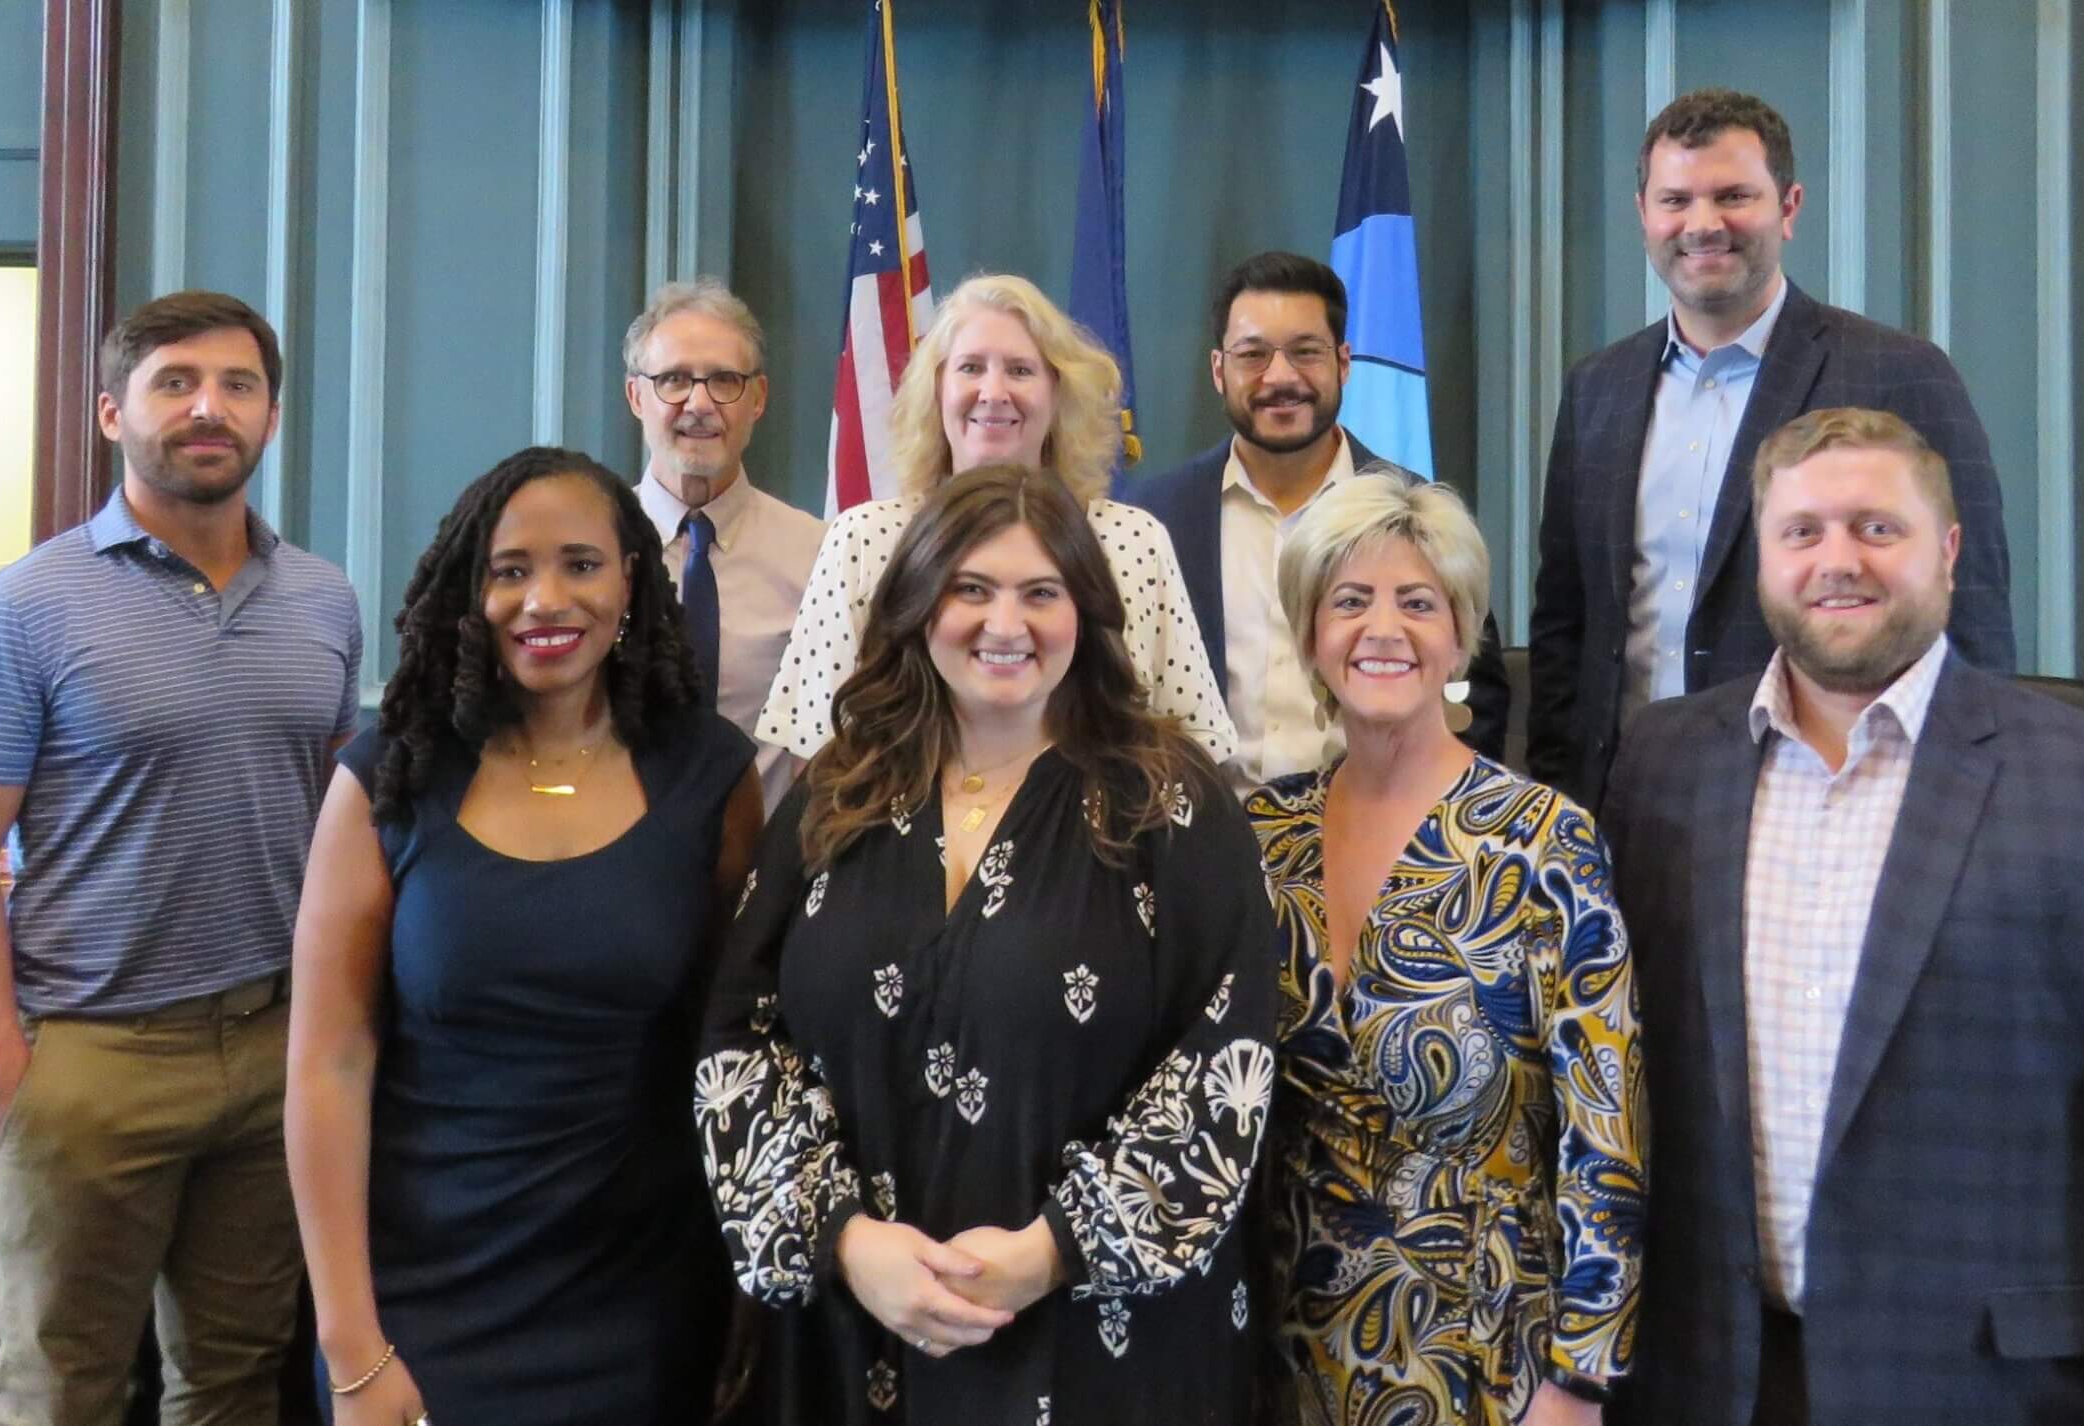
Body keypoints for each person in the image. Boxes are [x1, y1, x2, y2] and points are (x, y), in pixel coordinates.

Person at [1601, 408, 2084, 1426]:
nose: (1837, 560)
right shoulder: (1661, 766)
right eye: (1802, 531)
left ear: (1946, 552)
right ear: (1764, 559)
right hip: (1713, 1379)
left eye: (1876, 527)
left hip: (1989, 1390)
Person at [699, 465, 1277, 1425]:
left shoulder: (1170, 800)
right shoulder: (839, 792)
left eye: (1040, 592)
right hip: (852, 1338)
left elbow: (1229, 1061)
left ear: (1085, 612)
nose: (1004, 624)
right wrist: (843, 1238)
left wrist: (1054, 1251)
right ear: (920, 606)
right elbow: (740, 1036)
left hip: (1104, 1346)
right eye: (971, 588)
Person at [0, 290, 362, 1425]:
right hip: (90, 1059)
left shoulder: (324, 599)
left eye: (238, 385)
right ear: (113, 413)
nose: (208, 408)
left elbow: (339, 820)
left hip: (271, 1050)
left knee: (234, 1379)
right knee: (60, 1391)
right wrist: (1, 1066)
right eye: (176, 383)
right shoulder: (16, 611)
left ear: (268, 416)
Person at [285, 447, 761, 1425]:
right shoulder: (389, 779)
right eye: (511, 570)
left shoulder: (707, 774)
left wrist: (746, 1302)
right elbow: (327, 1066)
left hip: (644, 1297)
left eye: (581, 564)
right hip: (423, 1296)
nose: (546, 598)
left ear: (631, 578)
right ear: (471, 589)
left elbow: (736, 1046)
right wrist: (352, 1346)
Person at [1246, 471, 1644, 1424]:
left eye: (1417, 602)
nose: (1383, 629)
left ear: (1462, 634)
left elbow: (1607, 1130)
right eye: (1350, 601)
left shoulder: (1543, 839)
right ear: (1310, 633)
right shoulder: (1261, 837)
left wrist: (1580, 1380)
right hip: (1281, 1354)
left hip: (1491, 1356)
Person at [1524, 87, 2015, 810]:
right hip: (1621, 808)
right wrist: (1555, 798)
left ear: (1788, 208)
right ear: (1643, 216)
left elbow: (1969, 612)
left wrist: (1962, 808)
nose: (1702, 224)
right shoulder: (1598, 386)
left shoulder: (1899, 373)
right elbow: (1566, 622)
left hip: (1834, 803)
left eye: (1732, 196)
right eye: (1675, 201)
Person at [757, 274, 1235, 765]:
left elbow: (1192, 741)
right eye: (970, 367)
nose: (993, 391)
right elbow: (817, 750)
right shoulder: (863, 540)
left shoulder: (1135, 542)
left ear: (1058, 391)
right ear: (936, 389)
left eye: (1020, 371)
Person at [1128, 252, 1512, 791]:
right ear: (1219, 370)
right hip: (1196, 850)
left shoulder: (1418, 515)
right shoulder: (1153, 521)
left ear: (1344, 363)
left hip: (1377, 844)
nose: (1280, 377)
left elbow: (1475, 696)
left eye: (1306, 352)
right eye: (1253, 354)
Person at [623, 277, 826, 812]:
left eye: (724, 381)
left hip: (766, 863)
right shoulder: (587, 549)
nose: (699, 403)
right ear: (635, 396)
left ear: (757, 399)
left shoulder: (821, 556)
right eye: (672, 380)